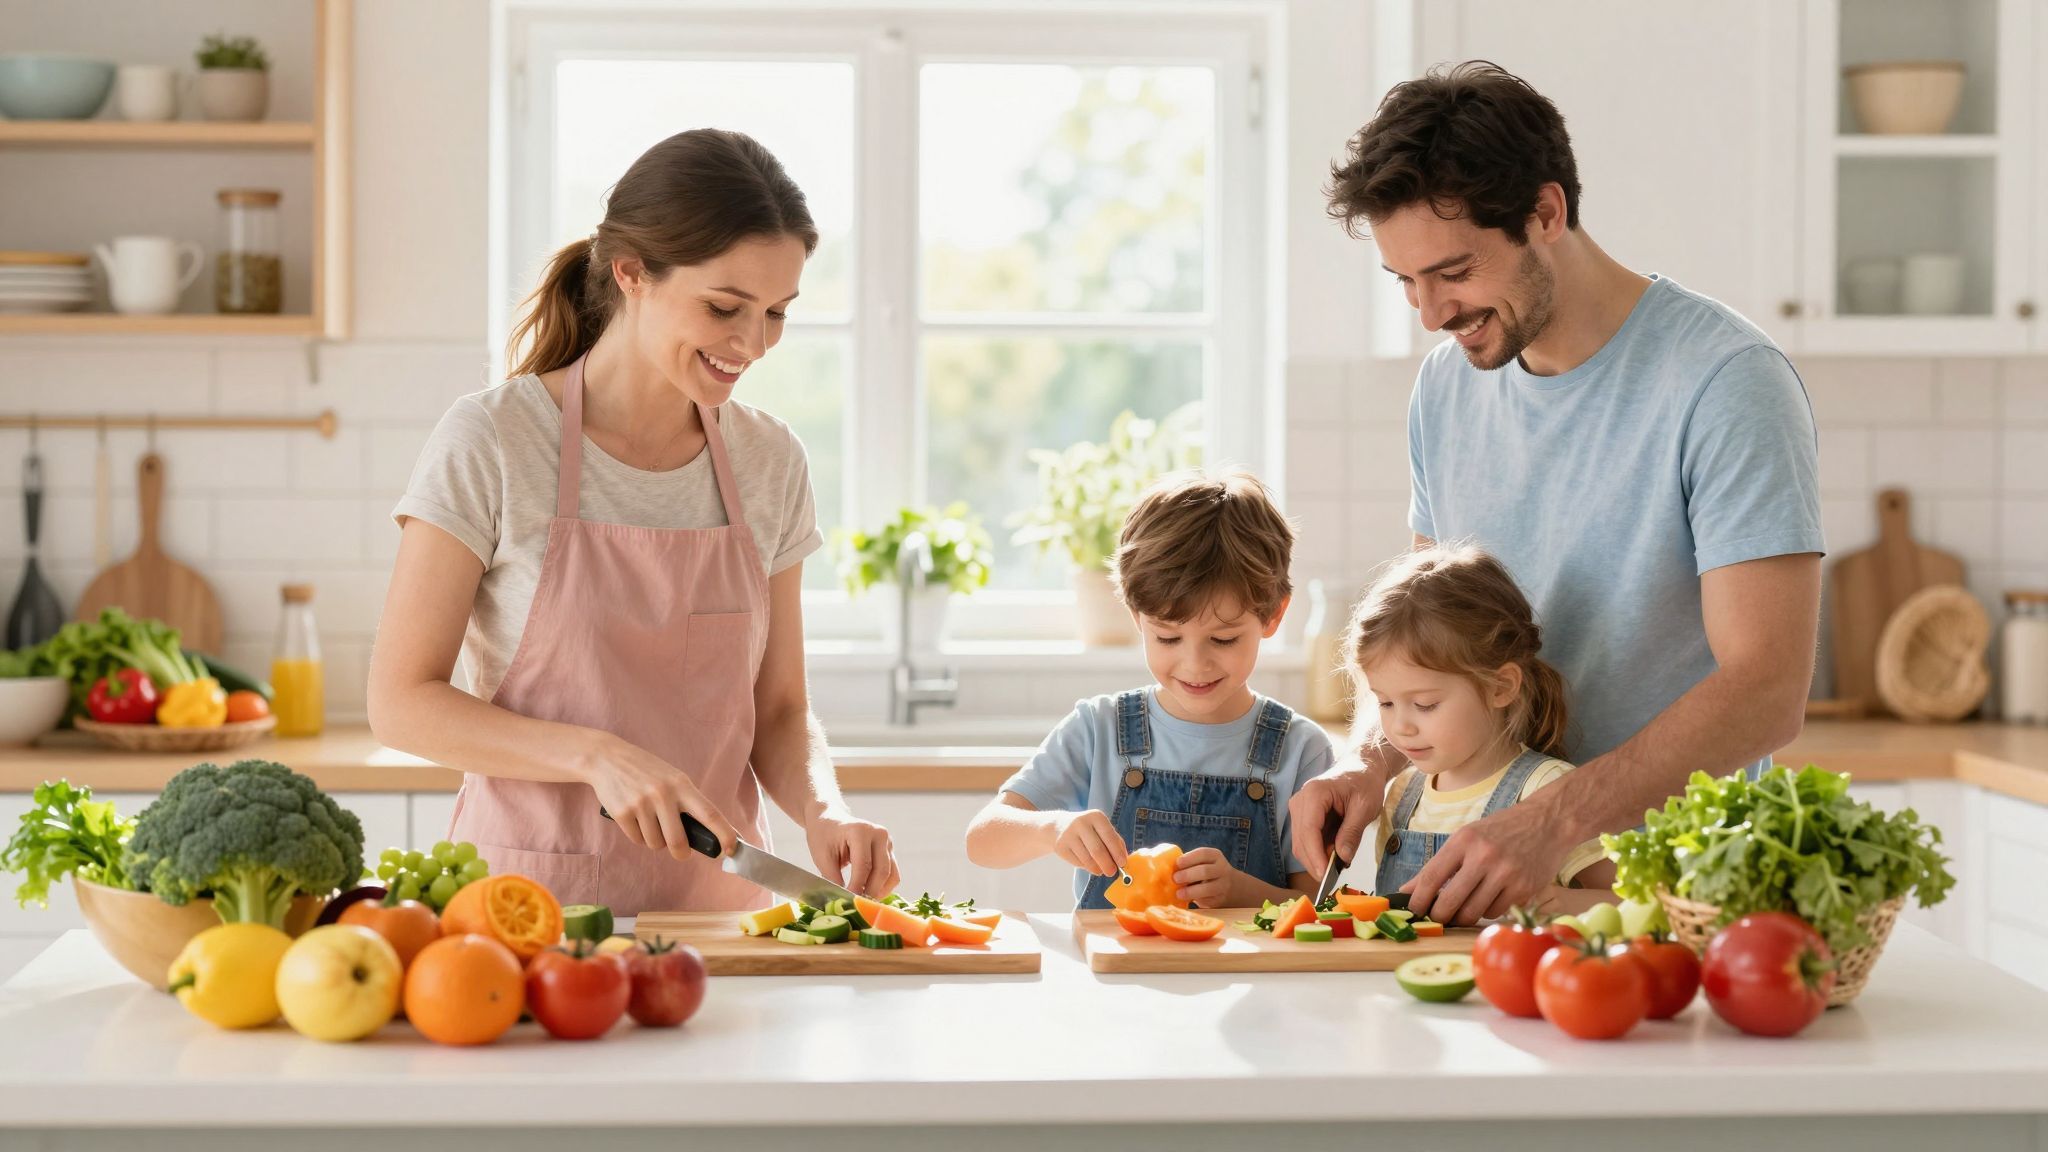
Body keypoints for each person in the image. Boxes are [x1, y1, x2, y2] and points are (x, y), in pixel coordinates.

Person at [1293, 61, 1824, 923]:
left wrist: (1551, 820)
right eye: (1405, 281)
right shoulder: (1447, 389)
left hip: (1666, 898)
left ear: (1546, 213)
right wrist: (1371, 761)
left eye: (1453, 271)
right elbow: (1426, 642)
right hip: (1487, 896)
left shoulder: (1727, 382)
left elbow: (1767, 688)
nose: (1430, 312)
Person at [368, 129, 898, 915]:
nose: (752, 344)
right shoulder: (495, 439)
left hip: (719, 914)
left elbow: (780, 708)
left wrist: (825, 809)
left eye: (777, 313)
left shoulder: (769, 461)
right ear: (631, 274)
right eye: (725, 307)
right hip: (525, 915)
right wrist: (596, 757)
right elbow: (400, 700)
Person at [965, 471, 1335, 909]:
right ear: (1136, 616)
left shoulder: (1301, 750)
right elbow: (983, 838)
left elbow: (1318, 906)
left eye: (1223, 639)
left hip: (1247, 976)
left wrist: (1243, 893)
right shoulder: (1098, 728)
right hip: (1112, 975)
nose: (1195, 664)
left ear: (1273, 615)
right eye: (1168, 638)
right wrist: (1053, 829)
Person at [1347, 545, 1615, 914]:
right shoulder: (1402, 796)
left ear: (1500, 688)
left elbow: (1632, 900)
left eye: (1425, 705)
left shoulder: (1546, 789)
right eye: (1385, 703)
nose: (1400, 726)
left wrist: (1564, 903)